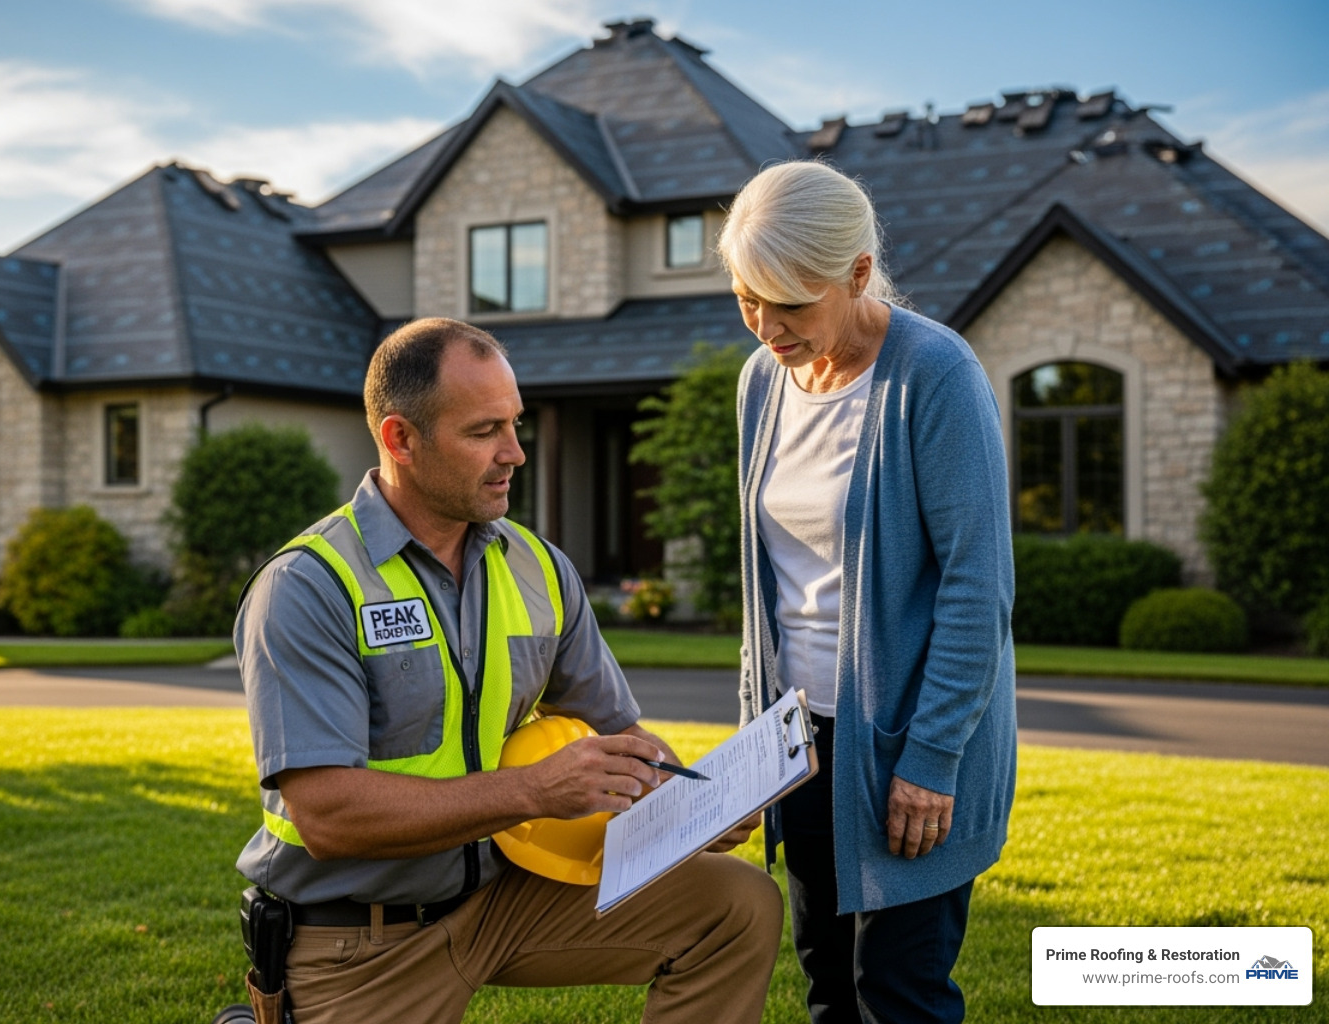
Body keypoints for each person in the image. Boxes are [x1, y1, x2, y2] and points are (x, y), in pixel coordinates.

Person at [232, 317, 783, 1024]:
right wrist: (532, 790)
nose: (515, 454)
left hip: (506, 898)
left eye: (516, 425)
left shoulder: (538, 566)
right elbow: (329, 816)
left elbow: (622, 732)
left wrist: (690, 807)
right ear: (401, 438)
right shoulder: (311, 587)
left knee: (735, 905)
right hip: (361, 940)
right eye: (483, 431)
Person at [719, 161, 1017, 1024]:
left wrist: (928, 762)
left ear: (856, 273)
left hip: (910, 747)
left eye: (789, 303)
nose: (766, 326)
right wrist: (754, 745)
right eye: (747, 298)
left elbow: (976, 587)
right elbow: (764, 580)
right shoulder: (760, 383)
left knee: (898, 992)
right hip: (800, 744)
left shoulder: (936, 374)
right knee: (827, 986)